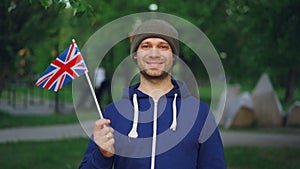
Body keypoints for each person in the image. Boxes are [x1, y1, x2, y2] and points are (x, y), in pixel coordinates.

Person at [79, 19, 226, 169]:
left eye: (163, 47)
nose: (154, 54)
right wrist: (102, 155)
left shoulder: (200, 113)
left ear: (174, 56)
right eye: (146, 46)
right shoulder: (113, 113)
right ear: (135, 55)